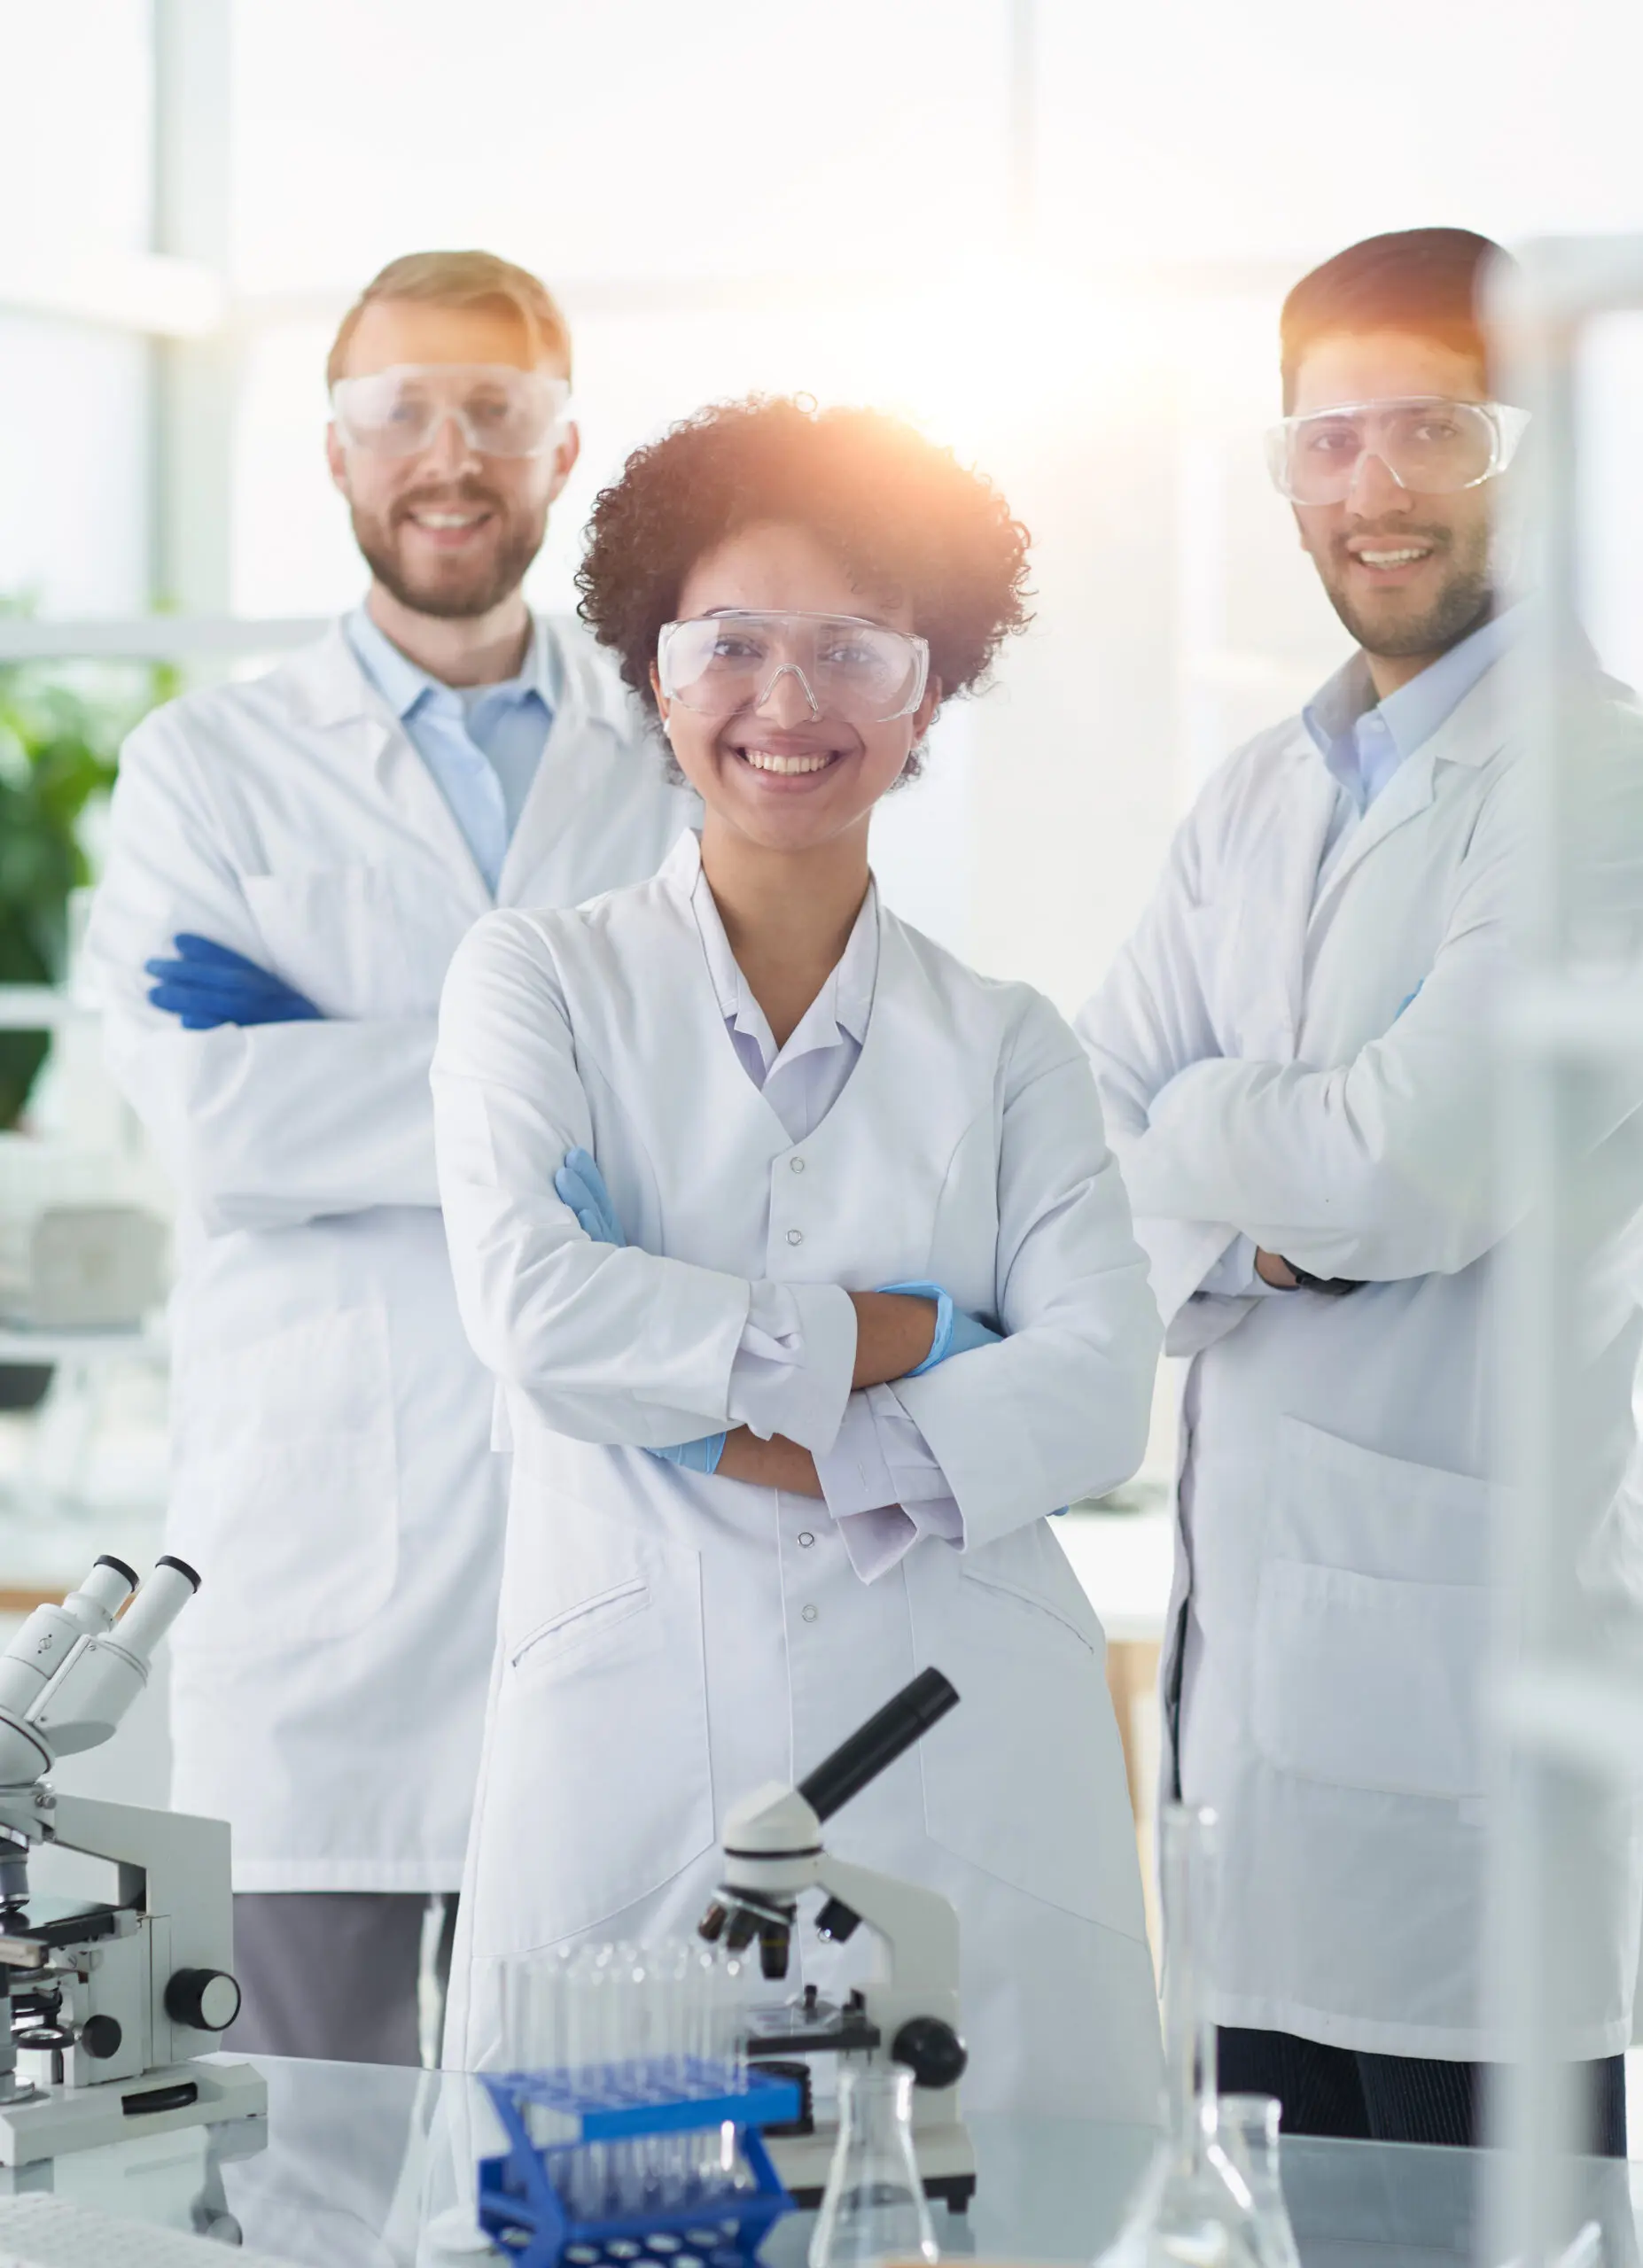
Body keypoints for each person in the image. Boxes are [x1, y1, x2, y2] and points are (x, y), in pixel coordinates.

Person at [429, 395, 1164, 2117]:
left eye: (852, 650)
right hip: (630, 1734)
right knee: (606, 2202)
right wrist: (911, 1333)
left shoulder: (1007, 1041)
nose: (787, 700)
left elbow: (1098, 1384)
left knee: (993, 2200)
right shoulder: (535, 981)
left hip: (964, 1745)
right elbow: (534, 1309)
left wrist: (709, 1399)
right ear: (652, 671)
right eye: (732, 645)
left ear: (928, 692)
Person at [1078, 228, 1643, 2153]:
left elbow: (1396, 1175)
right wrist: (1253, 1179)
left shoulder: (1599, 785)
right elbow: (1083, 1142)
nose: (1374, 490)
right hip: (1245, 1748)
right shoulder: (1257, 792)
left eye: (1432, 427)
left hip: (1468, 1747)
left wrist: (1243, 1168)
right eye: (1327, 440)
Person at [84, 250, 692, 2065]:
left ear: (563, 443)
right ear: (336, 454)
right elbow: (222, 1125)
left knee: (600, 2166)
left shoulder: (671, 757)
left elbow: (721, 1116)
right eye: (400, 412)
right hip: (319, 1591)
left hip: (612, 1574)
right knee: (301, 2173)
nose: (451, 454)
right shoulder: (210, 766)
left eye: (494, 413)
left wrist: (342, 1051)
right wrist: (562, 1087)